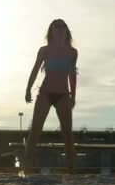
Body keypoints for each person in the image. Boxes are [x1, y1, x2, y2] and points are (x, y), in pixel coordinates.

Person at [22, 19, 78, 175]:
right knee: (35, 131)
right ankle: (26, 169)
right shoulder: (44, 50)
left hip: (63, 95)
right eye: (56, 26)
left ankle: (71, 170)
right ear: (51, 31)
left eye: (62, 26)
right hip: (45, 93)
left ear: (67, 30)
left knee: (67, 133)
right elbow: (34, 70)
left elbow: (72, 76)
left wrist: (73, 96)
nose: (59, 28)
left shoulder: (72, 52)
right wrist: (28, 89)